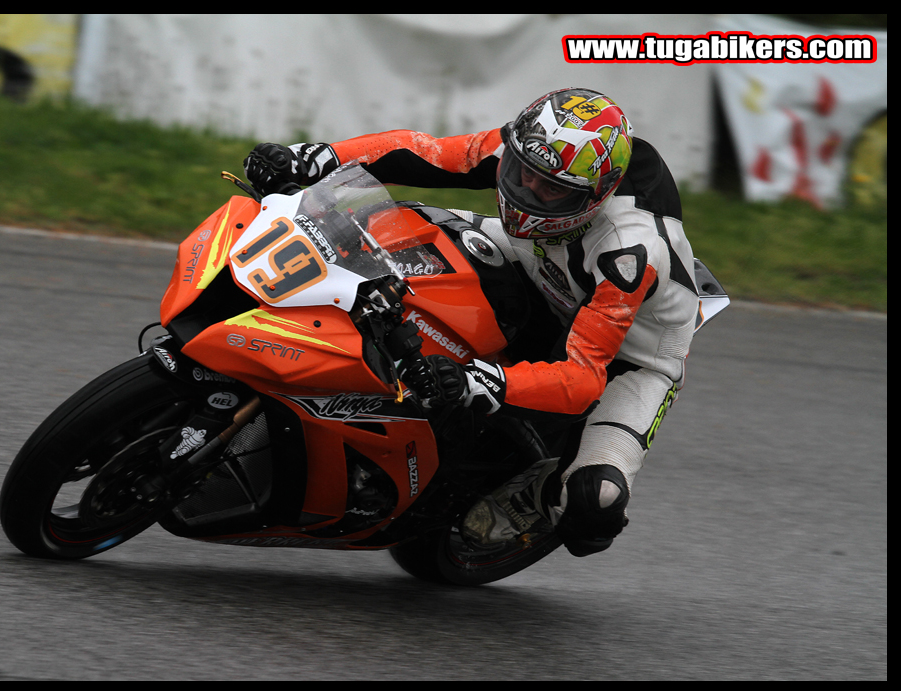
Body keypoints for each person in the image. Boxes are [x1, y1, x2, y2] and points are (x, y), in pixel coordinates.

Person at [243, 88, 700, 557]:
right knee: (376, 231)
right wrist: (315, 159)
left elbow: (584, 377)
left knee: (593, 502)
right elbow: (429, 152)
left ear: (596, 196)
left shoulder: (631, 251)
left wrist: (480, 379)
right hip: (536, 255)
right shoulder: (541, 147)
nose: (529, 192)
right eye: (523, 174)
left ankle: (537, 497)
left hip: (630, 354)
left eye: (553, 190)